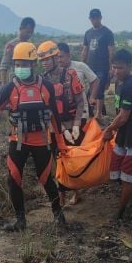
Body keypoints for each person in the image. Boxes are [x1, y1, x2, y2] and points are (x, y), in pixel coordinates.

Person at [0, 42, 66, 231]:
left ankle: (59, 216)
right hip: (17, 141)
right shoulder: (10, 88)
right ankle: (20, 220)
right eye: (17, 64)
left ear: (33, 64)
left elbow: (55, 117)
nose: (20, 68)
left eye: (24, 64)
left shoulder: (47, 87)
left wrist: (61, 143)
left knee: (46, 180)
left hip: (41, 141)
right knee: (13, 179)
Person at [37, 41, 87, 207]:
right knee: (58, 161)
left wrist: (76, 125)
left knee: (72, 161)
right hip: (54, 127)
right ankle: (61, 195)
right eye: (41, 60)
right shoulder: (42, 81)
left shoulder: (70, 75)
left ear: (54, 58)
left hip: (72, 123)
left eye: (47, 59)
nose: (44, 63)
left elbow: (80, 102)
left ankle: (77, 191)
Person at [103, 49, 132, 220]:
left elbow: (123, 117)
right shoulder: (119, 83)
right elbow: (119, 113)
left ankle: (120, 214)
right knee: (115, 173)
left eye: (121, 68)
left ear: (129, 67)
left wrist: (109, 130)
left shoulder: (131, 85)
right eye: (114, 67)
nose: (116, 71)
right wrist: (112, 128)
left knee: (126, 179)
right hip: (124, 136)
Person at [81, 8, 115, 118]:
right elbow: (85, 50)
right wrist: (82, 65)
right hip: (90, 66)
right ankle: (95, 113)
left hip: (102, 66)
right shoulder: (88, 33)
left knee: (99, 89)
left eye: (96, 17)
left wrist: (111, 67)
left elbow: (111, 50)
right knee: (91, 91)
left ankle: (99, 114)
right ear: (90, 19)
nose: (94, 20)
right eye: (92, 18)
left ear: (100, 18)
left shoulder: (107, 33)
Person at [56, 42, 99, 119]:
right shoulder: (54, 72)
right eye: (57, 57)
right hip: (63, 110)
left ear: (69, 55)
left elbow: (95, 80)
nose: (59, 60)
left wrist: (92, 97)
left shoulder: (80, 66)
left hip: (81, 109)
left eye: (61, 57)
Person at [0, 17, 36, 84]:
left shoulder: (31, 46)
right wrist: (3, 87)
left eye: (31, 32)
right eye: (27, 32)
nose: (29, 35)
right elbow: (3, 67)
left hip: (29, 83)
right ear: (21, 29)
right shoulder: (11, 45)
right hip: (14, 82)